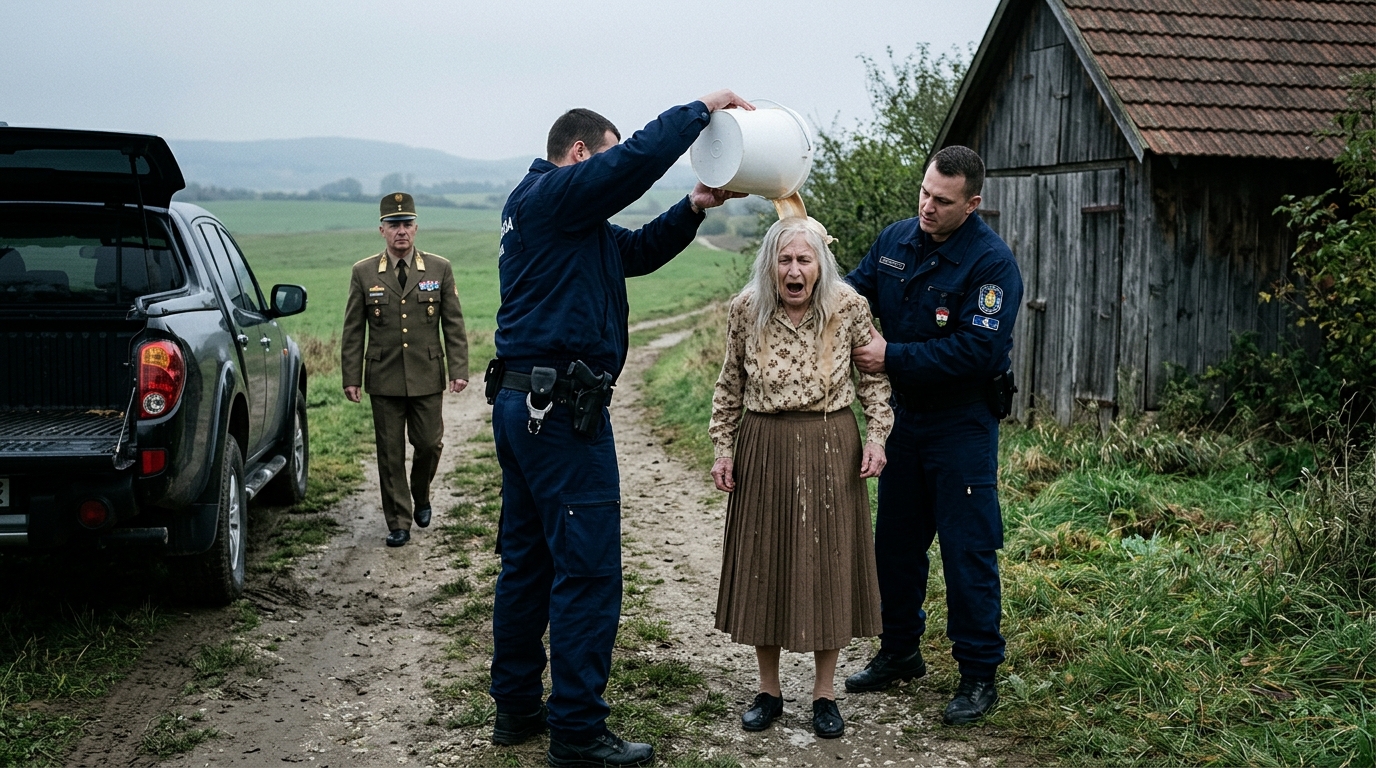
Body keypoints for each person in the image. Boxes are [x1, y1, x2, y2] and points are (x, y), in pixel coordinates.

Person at [486, 91, 750, 768]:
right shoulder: (554, 197)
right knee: (588, 571)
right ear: (579, 155)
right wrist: (700, 109)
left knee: (529, 562)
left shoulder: (557, 216)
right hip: (560, 417)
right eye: (599, 159)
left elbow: (632, 253)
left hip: (526, 407)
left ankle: (516, 709)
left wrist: (693, 207)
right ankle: (577, 731)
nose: (607, 174)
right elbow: (630, 164)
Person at [841, 145, 1022, 725]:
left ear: (972, 203)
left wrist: (890, 354)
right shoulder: (896, 240)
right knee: (893, 546)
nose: (927, 206)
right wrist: (803, 280)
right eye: (924, 192)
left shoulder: (992, 265)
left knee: (967, 551)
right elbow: (853, 293)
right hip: (900, 422)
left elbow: (978, 350)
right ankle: (899, 652)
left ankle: (977, 675)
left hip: (961, 424)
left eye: (942, 201)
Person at [709, 216, 891, 739]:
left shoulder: (850, 307)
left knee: (829, 562)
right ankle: (769, 690)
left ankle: (824, 694)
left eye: (803, 260)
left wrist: (877, 437)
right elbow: (730, 383)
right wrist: (724, 449)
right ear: (770, 264)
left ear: (820, 265)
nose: (794, 270)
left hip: (831, 442)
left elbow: (874, 381)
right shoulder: (746, 309)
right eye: (784, 260)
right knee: (766, 560)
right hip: (762, 443)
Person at [341, 193, 468, 548]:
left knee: (429, 443)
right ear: (382, 230)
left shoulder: (438, 268)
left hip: (427, 374)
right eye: (394, 225)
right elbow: (353, 329)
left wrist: (459, 368)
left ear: (416, 228)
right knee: (390, 453)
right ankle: (399, 521)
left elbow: (453, 324)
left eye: (407, 224)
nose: (401, 232)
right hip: (383, 377)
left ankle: (421, 492)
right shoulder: (364, 272)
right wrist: (350, 376)